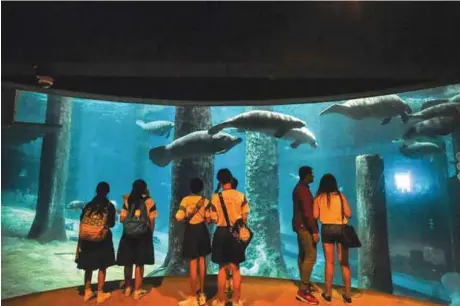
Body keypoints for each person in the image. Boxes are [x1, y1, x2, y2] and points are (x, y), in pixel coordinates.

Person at [209, 169, 249, 306]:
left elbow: (213, 219)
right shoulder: (241, 196)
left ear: (219, 181)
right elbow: (244, 218)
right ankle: (236, 301)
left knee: (222, 268)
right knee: (236, 268)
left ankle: (220, 301)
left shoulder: (215, 197)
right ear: (231, 179)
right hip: (235, 234)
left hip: (221, 233)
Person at [313, 174, 353, 305]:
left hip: (327, 229)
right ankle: (347, 295)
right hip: (341, 229)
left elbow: (315, 216)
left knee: (329, 263)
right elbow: (349, 214)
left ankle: (328, 293)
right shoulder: (341, 196)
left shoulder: (318, 197)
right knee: (344, 263)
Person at [75, 182, 116, 304]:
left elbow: (81, 219)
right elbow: (112, 224)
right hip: (102, 239)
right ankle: (100, 293)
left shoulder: (89, 205)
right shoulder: (109, 206)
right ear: (107, 192)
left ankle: (87, 291)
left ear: (96, 190)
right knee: (102, 266)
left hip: (87, 239)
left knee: (89, 265)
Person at [116, 180, 157, 300]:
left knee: (128, 262)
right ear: (145, 189)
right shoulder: (150, 201)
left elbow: (122, 219)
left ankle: (128, 288)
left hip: (128, 235)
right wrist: (150, 233)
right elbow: (152, 220)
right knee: (140, 263)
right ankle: (137, 290)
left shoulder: (128, 200)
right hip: (143, 235)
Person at [175, 178, 212, 306]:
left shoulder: (185, 200)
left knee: (192, 263)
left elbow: (179, 217)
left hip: (191, 230)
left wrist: (186, 214)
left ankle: (192, 297)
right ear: (201, 188)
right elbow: (209, 219)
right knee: (202, 261)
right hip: (202, 231)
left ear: (190, 188)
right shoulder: (205, 201)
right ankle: (202, 294)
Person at [292, 166, 319, 305]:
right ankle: (303, 291)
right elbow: (307, 213)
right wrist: (314, 230)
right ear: (306, 175)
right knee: (311, 256)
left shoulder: (300, 188)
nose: (313, 176)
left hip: (300, 227)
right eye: (312, 173)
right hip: (305, 228)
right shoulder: (302, 190)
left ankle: (305, 283)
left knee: (303, 255)